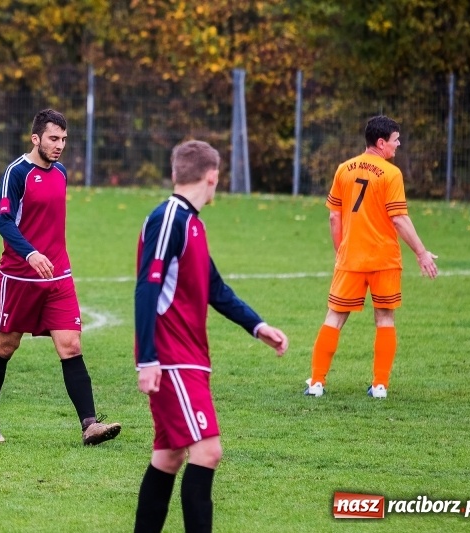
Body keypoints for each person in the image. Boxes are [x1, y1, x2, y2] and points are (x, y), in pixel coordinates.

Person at [133, 140, 288, 533]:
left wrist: (257, 325)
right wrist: (148, 359)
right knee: (208, 451)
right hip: (172, 359)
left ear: (174, 173)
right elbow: (147, 288)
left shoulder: (192, 224)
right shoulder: (170, 217)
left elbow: (215, 288)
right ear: (213, 177)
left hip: (188, 358)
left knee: (169, 456)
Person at [0, 108, 121, 446]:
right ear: (36, 138)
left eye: (64, 139)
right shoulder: (16, 173)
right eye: (54, 139)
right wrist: (30, 253)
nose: (60, 145)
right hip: (20, 278)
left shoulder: (61, 173)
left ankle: (89, 426)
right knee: (5, 346)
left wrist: (49, 257)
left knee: (71, 346)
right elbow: (4, 222)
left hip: (58, 277)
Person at [304, 115, 438, 399]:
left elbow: (333, 216)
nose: (398, 145)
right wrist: (421, 252)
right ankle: (379, 386)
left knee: (334, 318)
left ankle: (316, 383)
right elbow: (399, 219)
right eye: (395, 140)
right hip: (384, 260)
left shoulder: (344, 169)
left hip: (351, 258)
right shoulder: (391, 174)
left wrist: (342, 250)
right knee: (385, 318)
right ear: (381, 143)